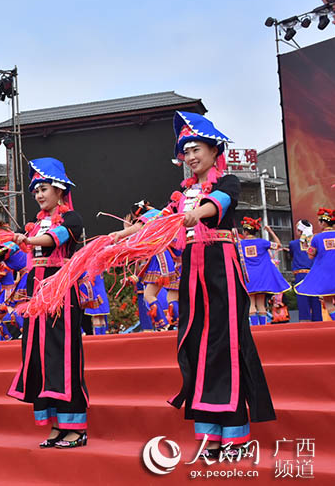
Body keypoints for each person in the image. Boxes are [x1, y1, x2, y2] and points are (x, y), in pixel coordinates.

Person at [110, 112, 275, 458]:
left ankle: (234, 432)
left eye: (196, 149)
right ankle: (209, 431)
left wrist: (195, 214)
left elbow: (220, 204)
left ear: (215, 152)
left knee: (225, 344)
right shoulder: (182, 195)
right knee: (198, 343)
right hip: (192, 273)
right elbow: (157, 221)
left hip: (221, 270)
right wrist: (121, 234)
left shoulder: (226, 182)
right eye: (185, 152)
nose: (190, 157)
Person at [9, 158, 88, 449]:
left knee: (63, 355)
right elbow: (26, 260)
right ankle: (55, 424)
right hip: (35, 293)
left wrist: (26, 241)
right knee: (40, 357)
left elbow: (54, 240)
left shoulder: (71, 219)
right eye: (36, 191)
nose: (39, 195)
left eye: (44, 189)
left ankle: (75, 426)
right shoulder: (35, 225)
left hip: (60, 293)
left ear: (59, 190)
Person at [295, 208, 335, 321]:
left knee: (327, 300)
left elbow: (311, 256)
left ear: (323, 222)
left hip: (325, 273)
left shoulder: (316, 238)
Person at [132, 200, 181, 330]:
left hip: (160, 260)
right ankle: (175, 325)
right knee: (172, 297)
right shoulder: (167, 219)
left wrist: (121, 234)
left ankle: (163, 325)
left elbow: (137, 229)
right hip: (172, 262)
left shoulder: (153, 216)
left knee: (149, 295)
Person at [239, 217, 290, 326]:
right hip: (262, 277)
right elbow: (278, 245)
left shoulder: (239, 244)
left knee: (251, 303)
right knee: (261, 304)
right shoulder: (263, 242)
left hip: (248, 277)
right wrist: (270, 231)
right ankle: (263, 327)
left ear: (245, 231)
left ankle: (255, 328)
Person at [288, 220, 322, 322]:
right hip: (314, 274)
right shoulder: (315, 243)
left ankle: (304, 323)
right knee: (315, 300)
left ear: (299, 231)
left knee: (303, 301)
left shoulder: (293, 244)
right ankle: (318, 323)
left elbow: (291, 256)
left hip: (301, 275)